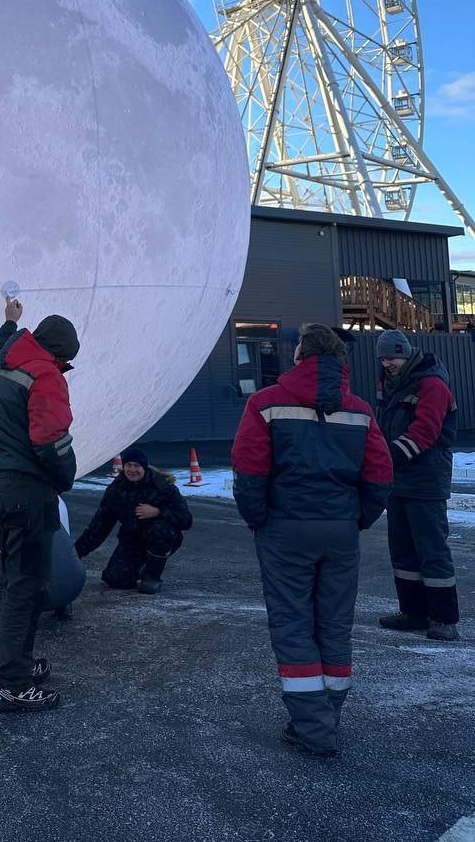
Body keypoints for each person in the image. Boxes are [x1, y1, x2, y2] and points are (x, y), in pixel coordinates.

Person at [231, 322, 393, 758]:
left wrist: (259, 519)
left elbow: (249, 470)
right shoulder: (359, 410)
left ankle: (315, 727)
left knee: (292, 623)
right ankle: (326, 714)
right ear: (339, 359)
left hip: (286, 528)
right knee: (334, 625)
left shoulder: (265, 403)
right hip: (340, 530)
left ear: (300, 356)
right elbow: (380, 474)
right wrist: (356, 519)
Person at [0, 296, 79, 714]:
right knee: (27, 587)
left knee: (23, 583)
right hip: (28, 491)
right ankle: (13, 684)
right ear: (60, 354)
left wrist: (9, 322)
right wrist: (65, 477)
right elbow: (50, 440)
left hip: (2, 487)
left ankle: (18, 664)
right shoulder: (46, 375)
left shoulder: (7, 363)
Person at [374, 329, 460, 642]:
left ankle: (444, 619)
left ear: (405, 353)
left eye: (392, 357)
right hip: (398, 481)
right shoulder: (390, 383)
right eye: (383, 358)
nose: (387, 363)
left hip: (426, 480)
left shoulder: (431, 384)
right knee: (403, 550)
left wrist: (386, 456)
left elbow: (426, 431)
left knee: (431, 549)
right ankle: (413, 612)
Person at [73, 448, 192, 592]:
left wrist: (158, 512)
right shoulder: (116, 490)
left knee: (159, 530)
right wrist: (74, 554)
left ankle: (152, 576)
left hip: (161, 537)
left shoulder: (163, 487)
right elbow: (99, 527)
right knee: (114, 579)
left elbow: (186, 520)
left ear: (144, 467)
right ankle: (141, 567)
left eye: (137, 466)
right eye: (128, 465)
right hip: (132, 540)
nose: (132, 470)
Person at [0, 481, 85, 628]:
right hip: (76, 586)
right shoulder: (43, 505)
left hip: (43, 596)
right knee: (53, 556)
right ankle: (63, 606)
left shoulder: (9, 514)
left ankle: (3, 614)